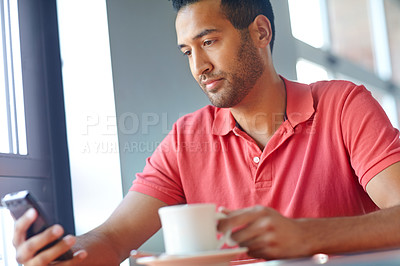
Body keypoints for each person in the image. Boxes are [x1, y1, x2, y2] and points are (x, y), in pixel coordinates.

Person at [12, 0, 400, 265]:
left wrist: (306, 236)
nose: (199, 66)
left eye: (209, 42)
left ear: (261, 32)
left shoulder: (342, 105)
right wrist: (60, 254)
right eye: (187, 51)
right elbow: (113, 239)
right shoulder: (185, 139)